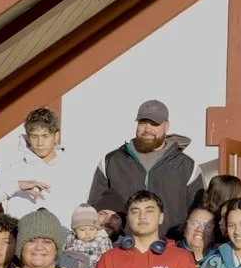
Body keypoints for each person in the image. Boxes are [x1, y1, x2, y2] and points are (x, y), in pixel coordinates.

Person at [88, 99, 206, 235]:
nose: (147, 128)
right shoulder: (111, 161)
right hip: (122, 246)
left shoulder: (187, 166)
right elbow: (94, 207)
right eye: (143, 122)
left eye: (154, 123)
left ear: (166, 126)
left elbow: (200, 212)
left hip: (170, 246)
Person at [0, 105, 96, 225]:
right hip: (23, 240)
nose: (40, 143)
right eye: (34, 136)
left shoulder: (74, 170)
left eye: (45, 136)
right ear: (28, 137)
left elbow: (88, 209)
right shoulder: (15, 170)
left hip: (65, 241)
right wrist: (16, 186)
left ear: (56, 136)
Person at [60, 204, 113, 268]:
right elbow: (63, 252)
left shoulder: (102, 240)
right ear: (75, 231)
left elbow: (108, 260)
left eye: (92, 229)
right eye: (82, 230)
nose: (88, 233)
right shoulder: (70, 238)